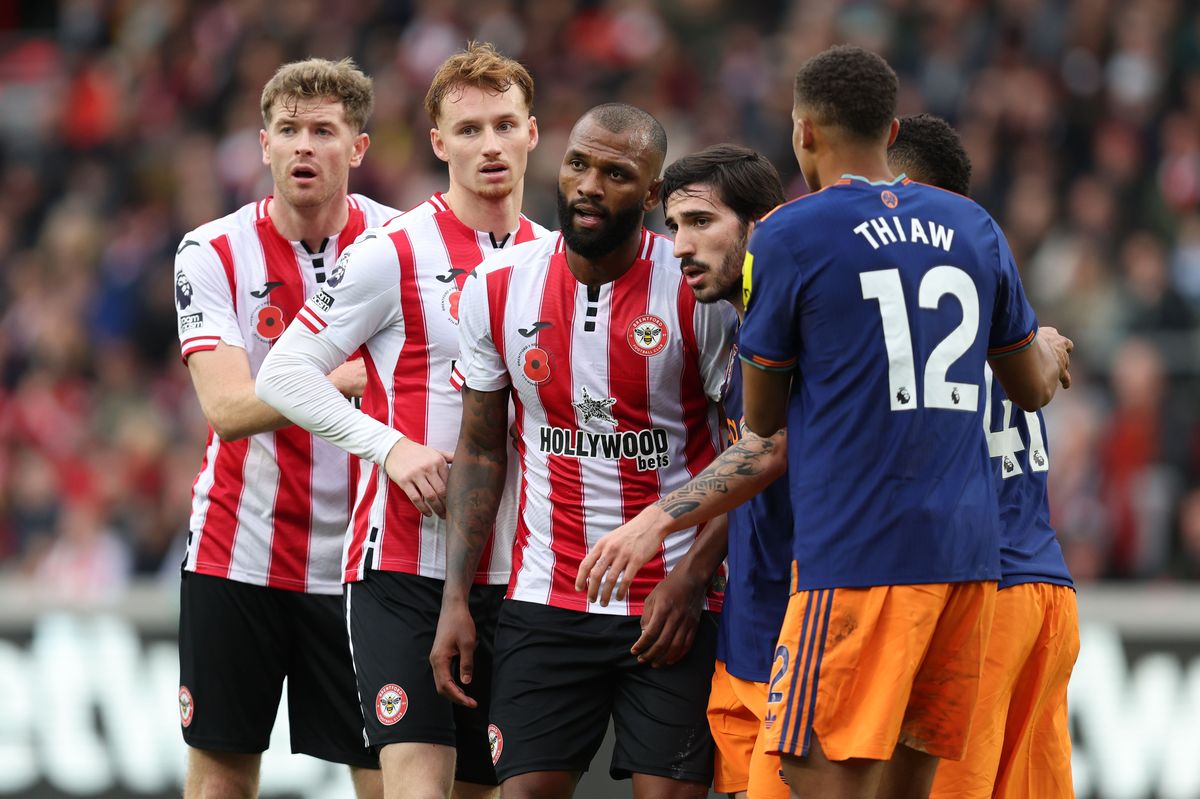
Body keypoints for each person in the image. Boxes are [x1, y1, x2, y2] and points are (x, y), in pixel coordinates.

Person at [736, 46, 1074, 799]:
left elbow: (761, 417)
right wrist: (1049, 350)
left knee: (812, 767)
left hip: (859, 552)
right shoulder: (973, 224)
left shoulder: (790, 234)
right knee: (907, 784)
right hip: (967, 557)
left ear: (802, 133)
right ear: (891, 130)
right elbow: (1028, 387)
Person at [256, 43, 545, 799]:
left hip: (520, 574)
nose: (489, 144)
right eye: (470, 128)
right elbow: (283, 372)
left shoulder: (554, 260)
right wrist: (388, 447)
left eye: (504, 125)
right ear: (438, 141)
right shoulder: (392, 252)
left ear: (532, 134)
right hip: (400, 567)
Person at [429, 103, 737, 799]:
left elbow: (750, 457)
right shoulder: (500, 287)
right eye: (578, 164)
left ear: (652, 195)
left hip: (670, 603)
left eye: (617, 173)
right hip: (546, 599)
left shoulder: (699, 296)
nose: (590, 185)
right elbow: (479, 451)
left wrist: (692, 579)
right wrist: (457, 599)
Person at [174, 58, 394, 799]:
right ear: (263, 144)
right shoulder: (212, 251)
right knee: (220, 778)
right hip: (239, 553)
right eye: (289, 130)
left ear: (357, 148)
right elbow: (227, 410)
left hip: (368, 564)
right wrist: (336, 382)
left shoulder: (402, 246)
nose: (305, 146)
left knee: (389, 776)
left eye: (325, 130)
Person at [576, 143, 792, 799]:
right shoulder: (732, 329)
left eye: (701, 222)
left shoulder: (804, 323)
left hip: (813, 618)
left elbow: (769, 448)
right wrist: (696, 572)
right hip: (745, 624)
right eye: (674, 227)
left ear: (761, 223)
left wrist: (654, 523)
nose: (680, 246)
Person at [888, 114, 1079, 799]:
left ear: (901, 187)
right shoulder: (988, 275)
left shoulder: (907, 290)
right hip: (1049, 589)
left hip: (983, 593)